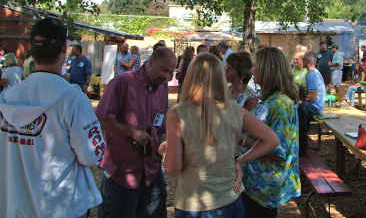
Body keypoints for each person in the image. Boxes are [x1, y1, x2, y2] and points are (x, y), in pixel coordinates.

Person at [0, 17, 105, 217]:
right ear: (65, 47)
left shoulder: (6, 98)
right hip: (62, 206)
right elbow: (93, 154)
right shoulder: (73, 99)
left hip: (15, 205)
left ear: (31, 48)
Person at [161, 53, 279, 218]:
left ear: (191, 76)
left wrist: (164, 150)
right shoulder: (234, 109)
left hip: (194, 202)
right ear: (220, 76)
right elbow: (272, 139)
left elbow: (172, 169)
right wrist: (240, 160)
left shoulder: (178, 113)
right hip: (229, 200)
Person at [95, 47, 177, 218]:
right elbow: (101, 120)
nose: (166, 77)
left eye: (170, 73)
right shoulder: (122, 82)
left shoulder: (161, 92)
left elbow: (159, 129)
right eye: (164, 70)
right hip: (121, 173)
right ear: (152, 61)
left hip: (151, 174)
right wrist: (132, 132)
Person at [242, 47, 301, 216]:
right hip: (256, 183)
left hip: (266, 186)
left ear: (269, 69)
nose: (251, 70)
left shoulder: (281, 103)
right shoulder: (268, 98)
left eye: (255, 65)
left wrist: (243, 140)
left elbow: (278, 152)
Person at [301, 51, 326, 116]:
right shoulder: (311, 73)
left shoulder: (312, 75)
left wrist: (298, 99)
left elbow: (312, 97)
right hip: (315, 106)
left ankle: (303, 126)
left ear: (307, 61)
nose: (301, 61)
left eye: (302, 59)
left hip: (315, 107)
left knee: (296, 107)